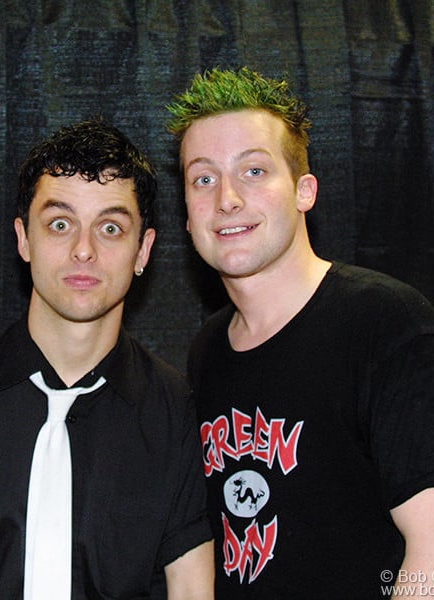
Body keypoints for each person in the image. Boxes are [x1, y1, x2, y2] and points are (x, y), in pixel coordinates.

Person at [0, 118, 214, 599]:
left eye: (110, 228)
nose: (83, 250)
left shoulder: (175, 409)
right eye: (60, 224)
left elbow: (191, 590)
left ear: (143, 250)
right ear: (24, 238)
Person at [167, 66, 434, 599]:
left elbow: (430, 551)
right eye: (203, 178)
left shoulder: (385, 323)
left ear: (304, 190)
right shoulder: (208, 351)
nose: (226, 199)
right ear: (187, 216)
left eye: (254, 171)